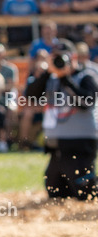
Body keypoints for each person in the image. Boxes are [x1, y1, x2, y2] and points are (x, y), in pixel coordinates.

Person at [24, 42, 98, 200]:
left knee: (85, 191)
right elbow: (30, 97)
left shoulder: (86, 76)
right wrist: (46, 73)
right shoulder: (51, 79)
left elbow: (86, 103)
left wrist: (65, 78)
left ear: (74, 57)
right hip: (56, 146)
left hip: (80, 143)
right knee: (55, 189)